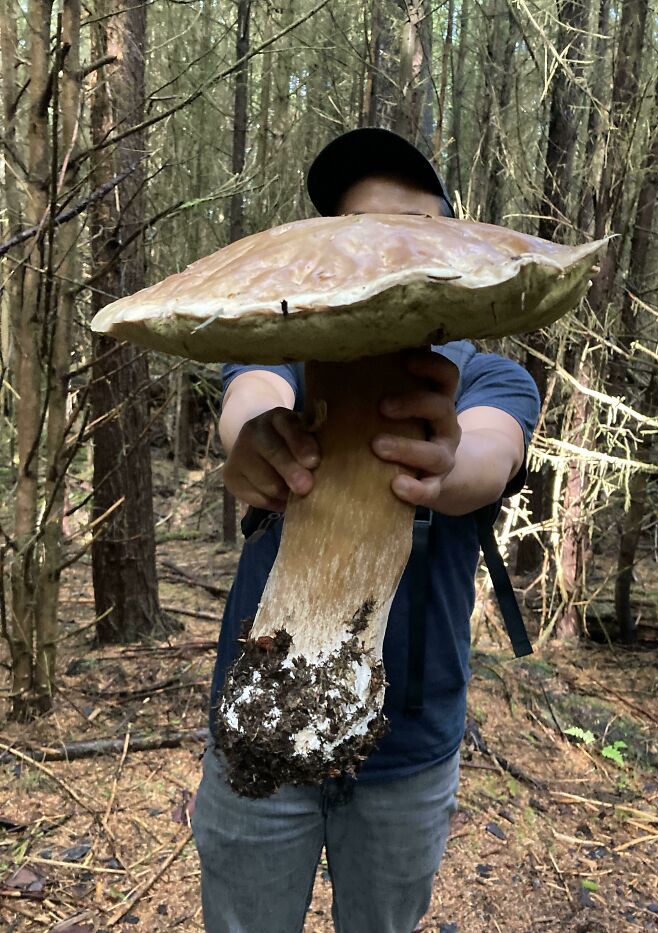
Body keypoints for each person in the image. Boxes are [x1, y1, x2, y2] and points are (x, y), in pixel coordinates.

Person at [192, 128, 540, 933]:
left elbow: (488, 451)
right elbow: (248, 398)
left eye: (410, 228)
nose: (382, 251)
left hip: (411, 742)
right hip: (259, 720)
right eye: (359, 232)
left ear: (452, 241)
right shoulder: (288, 352)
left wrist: (441, 465)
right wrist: (254, 444)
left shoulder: (486, 375)